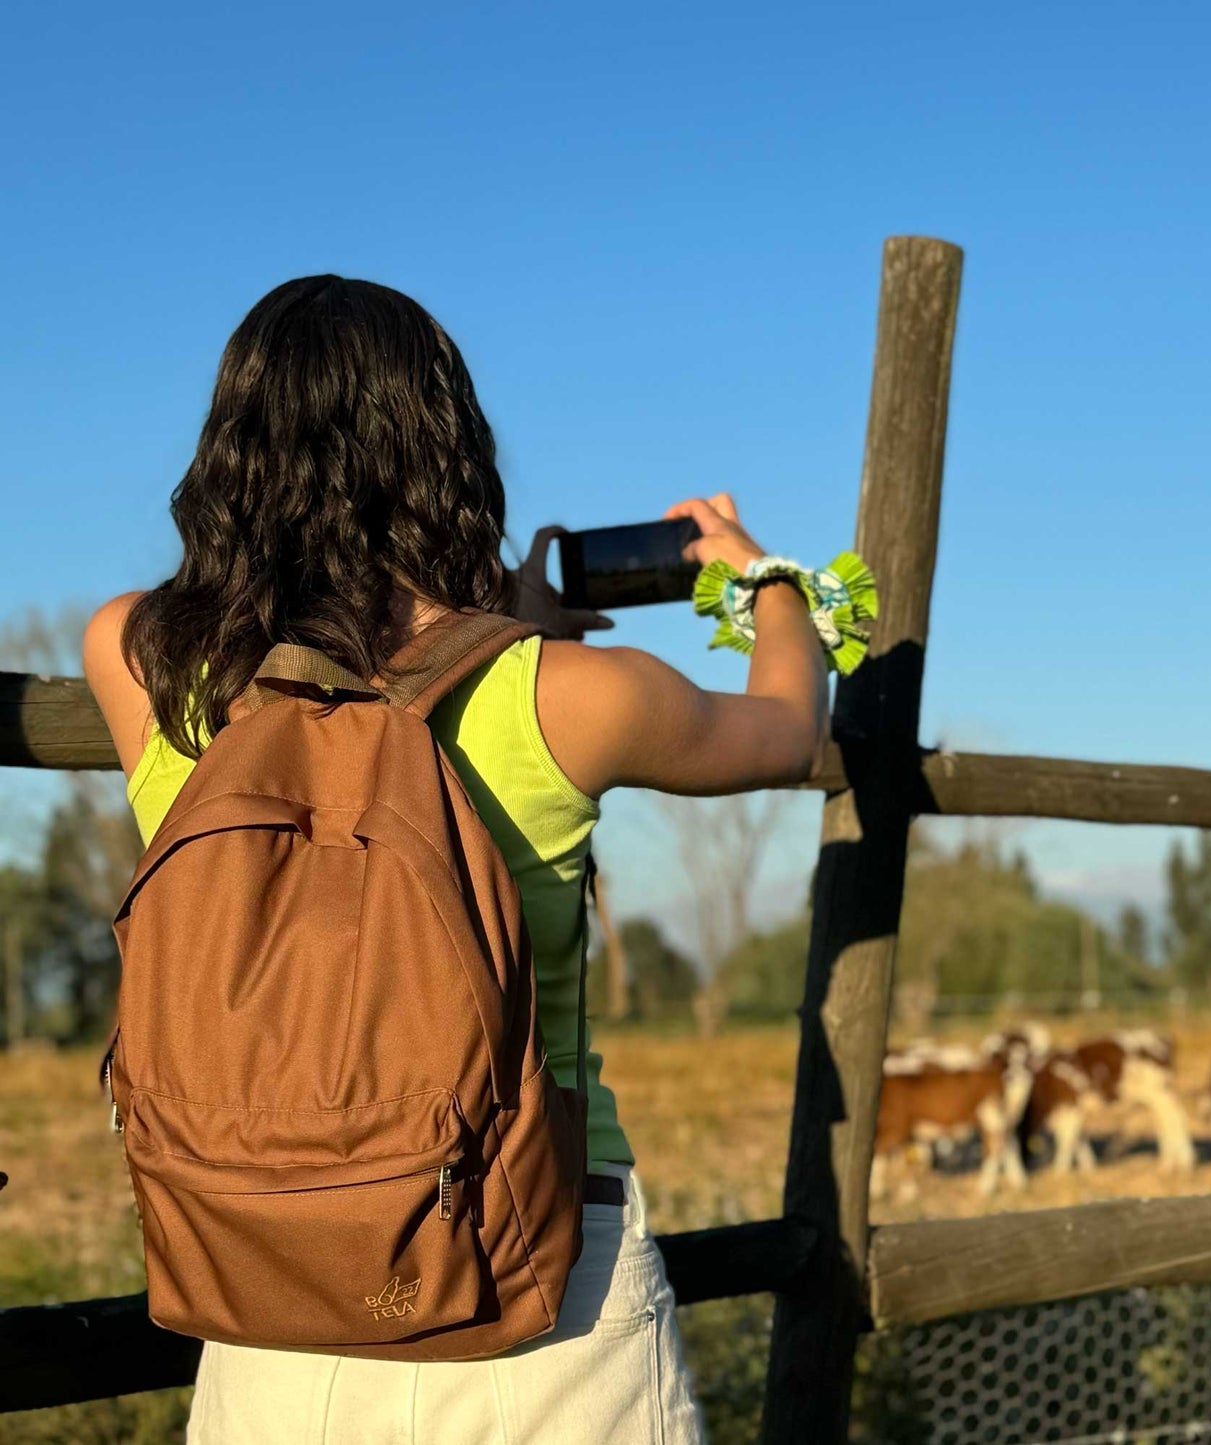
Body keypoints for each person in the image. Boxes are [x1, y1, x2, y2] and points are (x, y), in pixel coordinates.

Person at [83, 275, 830, 1444]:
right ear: (447, 446)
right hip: (537, 1285)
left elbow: (329, 658)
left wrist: (495, 619)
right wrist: (762, 579)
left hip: (265, 1281)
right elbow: (789, 729)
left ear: (232, 449)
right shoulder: (571, 694)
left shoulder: (141, 656)